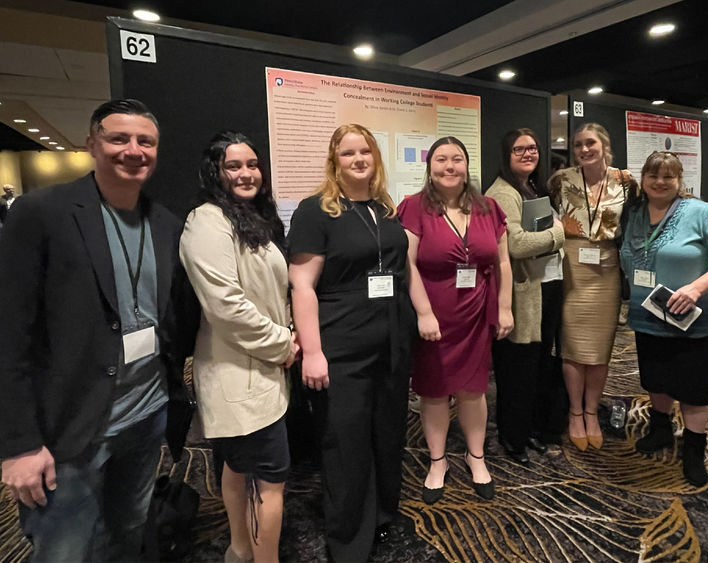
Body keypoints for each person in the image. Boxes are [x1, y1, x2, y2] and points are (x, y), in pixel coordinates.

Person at [0, 99, 198, 561]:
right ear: (92, 144)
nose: (133, 150)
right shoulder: (42, 212)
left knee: (127, 535)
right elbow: (9, 336)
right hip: (71, 427)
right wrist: (18, 446)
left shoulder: (166, 224)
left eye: (145, 141)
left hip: (146, 416)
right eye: (118, 138)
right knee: (65, 550)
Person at [287, 124, 415, 562]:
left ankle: (381, 513)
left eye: (365, 151)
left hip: (392, 341)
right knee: (345, 442)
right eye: (348, 153)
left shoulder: (384, 208)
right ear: (334, 160)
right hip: (341, 344)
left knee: (386, 433)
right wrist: (314, 351)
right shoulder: (315, 211)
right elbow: (302, 287)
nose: (358, 159)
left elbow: (399, 271)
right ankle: (348, 539)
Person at [180, 132, 298, 563]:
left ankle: (240, 549)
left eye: (252, 164)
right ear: (216, 171)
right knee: (270, 481)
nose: (246, 173)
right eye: (234, 166)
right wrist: (282, 343)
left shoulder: (249, 218)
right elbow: (225, 307)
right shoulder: (208, 221)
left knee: (238, 465)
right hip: (242, 375)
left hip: (256, 373)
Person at [398, 136, 513, 503]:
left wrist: (505, 307)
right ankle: (437, 460)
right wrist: (424, 313)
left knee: (474, 390)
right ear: (429, 168)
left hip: (476, 314)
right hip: (433, 318)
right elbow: (407, 264)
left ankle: (475, 456)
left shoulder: (489, 208)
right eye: (442, 160)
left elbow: (503, 262)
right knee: (433, 391)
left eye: (457, 159)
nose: (450, 167)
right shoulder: (414, 208)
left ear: (467, 165)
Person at [620, 151, 708, 486]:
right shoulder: (635, 213)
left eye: (668, 177)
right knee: (656, 379)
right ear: (643, 179)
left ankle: (693, 452)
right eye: (653, 176)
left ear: (679, 180)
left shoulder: (702, 213)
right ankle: (660, 430)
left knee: (694, 388)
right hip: (649, 315)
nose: (660, 182)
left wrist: (695, 289)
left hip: (695, 321)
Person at [548, 122, 637, 451]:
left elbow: (641, 218)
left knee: (599, 351)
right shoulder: (561, 181)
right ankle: (574, 413)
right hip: (572, 268)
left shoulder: (625, 181)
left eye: (590, 143)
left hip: (606, 271)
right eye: (578, 145)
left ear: (604, 144)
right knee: (571, 347)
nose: (584, 149)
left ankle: (591, 413)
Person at [485, 128, 565, 464]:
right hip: (523, 294)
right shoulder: (503, 193)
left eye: (532, 148)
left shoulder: (533, 187)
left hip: (547, 286)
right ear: (507, 154)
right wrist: (561, 232)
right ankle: (513, 438)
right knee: (517, 369)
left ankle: (529, 428)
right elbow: (517, 244)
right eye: (519, 149)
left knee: (537, 364)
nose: (528, 153)